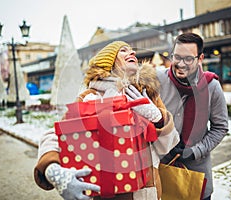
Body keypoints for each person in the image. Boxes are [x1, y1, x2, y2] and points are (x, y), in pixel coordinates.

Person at [34, 41, 179, 200]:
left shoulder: (146, 94)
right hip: (108, 193)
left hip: (148, 192)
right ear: (108, 60)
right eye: (123, 50)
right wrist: (52, 170)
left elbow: (167, 147)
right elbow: (56, 135)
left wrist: (158, 119)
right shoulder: (90, 97)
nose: (133, 53)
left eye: (132, 50)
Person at [157, 33, 229, 199]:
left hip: (196, 176)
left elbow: (220, 127)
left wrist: (195, 151)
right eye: (177, 57)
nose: (181, 64)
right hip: (161, 172)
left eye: (188, 59)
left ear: (200, 58)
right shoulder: (157, 80)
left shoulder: (212, 87)